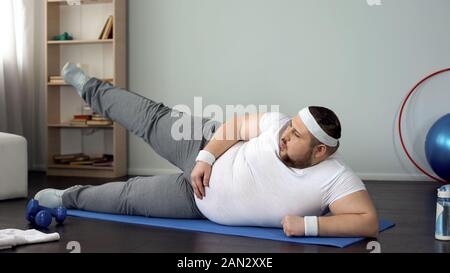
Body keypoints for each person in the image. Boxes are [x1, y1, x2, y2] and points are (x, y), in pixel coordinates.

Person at [35, 63, 379, 238]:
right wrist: (205, 158)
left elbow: (367, 222)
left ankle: (67, 198)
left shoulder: (334, 176)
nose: (285, 135)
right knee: (151, 119)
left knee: (128, 199)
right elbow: (234, 127)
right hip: (205, 145)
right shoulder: (277, 124)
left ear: (319, 152)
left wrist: (308, 226)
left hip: (198, 203)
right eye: (289, 128)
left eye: (296, 136)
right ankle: (90, 88)